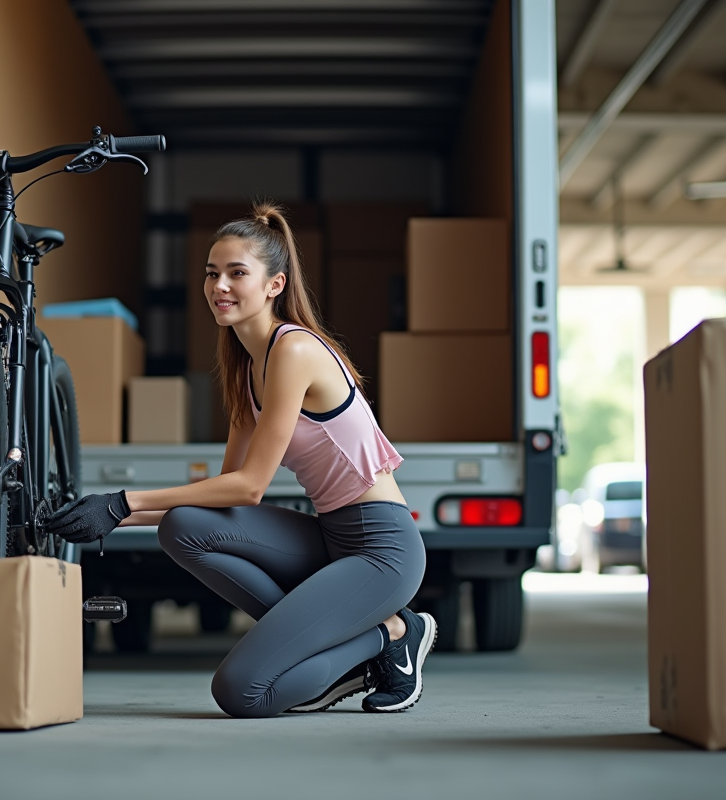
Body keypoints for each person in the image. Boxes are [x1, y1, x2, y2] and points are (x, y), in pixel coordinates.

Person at [43, 201, 435, 719]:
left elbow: (250, 488)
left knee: (244, 691)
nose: (219, 286)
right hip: (331, 537)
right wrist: (105, 513)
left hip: (381, 551)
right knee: (183, 526)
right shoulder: (246, 364)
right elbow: (226, 489)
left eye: (236, 273)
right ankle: (323, 640)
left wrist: (122, 502)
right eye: (211, 274)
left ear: (274, 284)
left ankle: (393, 632)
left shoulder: (293, 351)